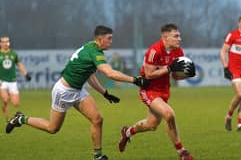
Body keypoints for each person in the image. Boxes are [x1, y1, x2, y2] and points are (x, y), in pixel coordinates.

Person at [5, 25, 149, 160]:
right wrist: (135, 80)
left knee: (97, 119)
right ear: (100, 39)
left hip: (78, 90)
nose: (111, 41)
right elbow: (110, 73)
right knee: (52, 128)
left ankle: (98, 156)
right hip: (63, 92)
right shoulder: (94, 52)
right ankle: (20, 119)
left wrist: (104, 93)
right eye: (109, 38)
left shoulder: (90, 47)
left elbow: (89, 75)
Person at [118, 23, 195, 160]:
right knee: (169, 114)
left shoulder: (178, 52)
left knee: (151, 124)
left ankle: (128, 132)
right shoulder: (154, 51)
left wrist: (189, 75)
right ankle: (182, 152)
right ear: (165, 37)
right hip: (149, 89)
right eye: (176, 36)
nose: (180, 39)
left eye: (179, 36)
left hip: (164, 90)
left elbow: (176, 76)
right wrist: (169, 68)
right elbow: (148, 75)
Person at [0, 37, 31, 119]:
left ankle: (8, 97)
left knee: (16, 103)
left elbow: (19, 65)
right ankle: (7, 117)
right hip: (2, 81)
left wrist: (26, 74)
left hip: (12, 81)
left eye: (7, 42)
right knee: (5, 99)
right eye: (3, 42)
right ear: (1, 43)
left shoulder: (13, 54)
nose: (5, 43)